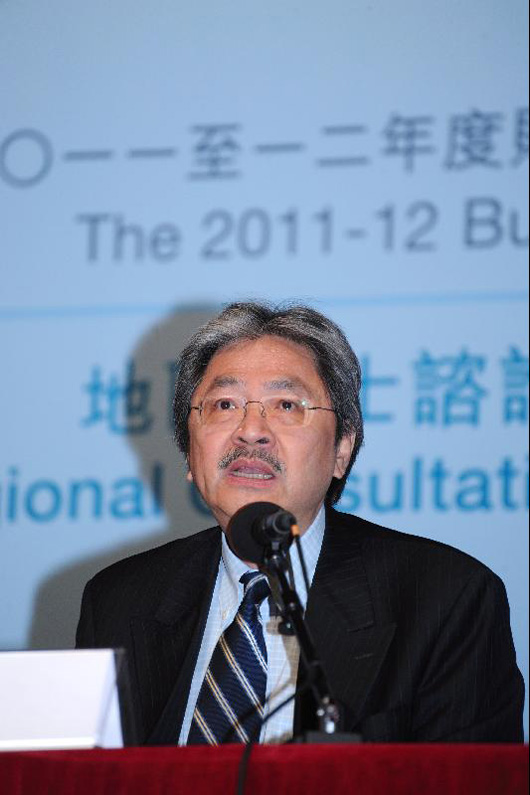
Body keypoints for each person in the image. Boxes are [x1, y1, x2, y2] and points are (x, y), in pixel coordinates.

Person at [76, 301, 524, 745]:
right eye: (224, 404)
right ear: (188, 452)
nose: (251, 431)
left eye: (287, 405)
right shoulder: (118, 602)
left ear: (342, 449)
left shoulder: (445, 599)